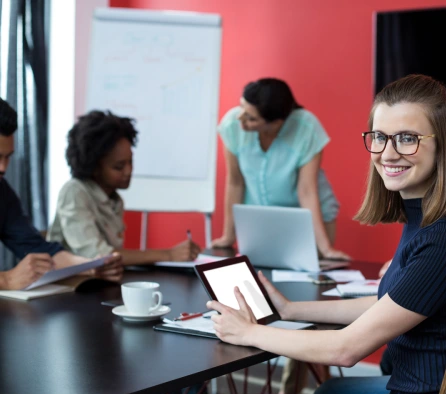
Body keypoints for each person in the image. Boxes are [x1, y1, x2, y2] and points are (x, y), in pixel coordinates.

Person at [206, 74, 446, 394]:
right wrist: (289, 309)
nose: (388, 153)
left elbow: (346, 349)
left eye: (407, 138)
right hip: (413, 384)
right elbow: (389, 303)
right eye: (380, 137)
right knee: (330, 388)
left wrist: (250, 332)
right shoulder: (426, 218)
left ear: (442, 143)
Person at [211, 78, 349, 261]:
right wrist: (228, 236)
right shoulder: (232, 125)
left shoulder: (306, 128)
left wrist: (326, 248)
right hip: (260, 218)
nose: (240, 118)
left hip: (307, 219)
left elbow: (307, 190)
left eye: (251, 118)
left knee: (309, 274)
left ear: (276, 123)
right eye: (242, 107)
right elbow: (235, 182)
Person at [47, 110, 201, 265]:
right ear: (95, 168)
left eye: (131, 162)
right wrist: (168, 254)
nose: (128, 171)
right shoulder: (74, 192)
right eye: (119, 166)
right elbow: (99, 256)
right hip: (68, 285)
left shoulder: (115, 199)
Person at [0, 98, 122, 290]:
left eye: (7, 157)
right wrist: (6, 280)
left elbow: (43, 252)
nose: (3, 167)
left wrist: (89, 267)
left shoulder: (3, 193)